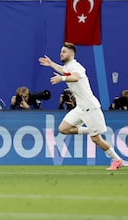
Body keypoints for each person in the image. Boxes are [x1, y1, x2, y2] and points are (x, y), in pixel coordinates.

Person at [38, 42, 123, 171]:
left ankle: (117, 160)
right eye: (61, 51)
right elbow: (64, 70)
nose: (61, 53)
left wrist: (61, 79)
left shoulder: (75, 66)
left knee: (96, 139)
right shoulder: (68, 67)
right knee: (63, 128)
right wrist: (51, 64)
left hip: (90, 107)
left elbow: (75, 77)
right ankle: (92, 129)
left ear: (72, 53)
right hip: (80, 108)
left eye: (64, 51)